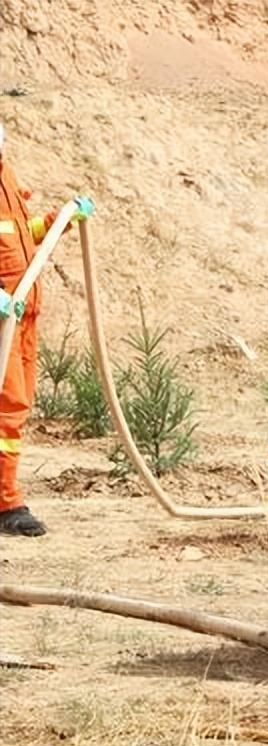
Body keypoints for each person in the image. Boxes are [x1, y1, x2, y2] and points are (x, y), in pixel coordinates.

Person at [0, 121, 88, 537]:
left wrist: (59, 220)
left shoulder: (5, 175)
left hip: (22, 316)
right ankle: (5, 502)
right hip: (3, 315)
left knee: (15, 408)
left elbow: (20, 236)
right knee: (6, 410)